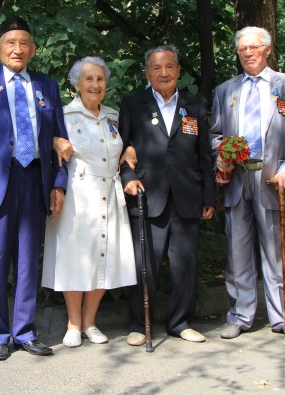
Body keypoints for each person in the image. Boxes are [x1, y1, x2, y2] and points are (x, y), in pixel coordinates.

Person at [0, 16, 68, 361]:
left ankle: (24, 332)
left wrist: (58, 185)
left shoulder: (47, 86)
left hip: (35, 180)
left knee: (27, 262)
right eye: (10, 43)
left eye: (24, 43)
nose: (17, 49)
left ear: (33, 50)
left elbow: (60, 140)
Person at [209, 26, 285, 341]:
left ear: (267, 49)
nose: (248, 53)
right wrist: (220, 156)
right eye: (242, 49)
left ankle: (284, 318)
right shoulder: (225, 90)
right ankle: (240, 315)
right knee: (237, 253)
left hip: (272, 180)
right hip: (237, 180)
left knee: (276, 253)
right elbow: (215, 135)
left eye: (253, 47)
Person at [119, 44, 216, 346]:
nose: (164, 73)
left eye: (170, 66)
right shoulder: (133, 103)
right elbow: (120, 148)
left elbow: (204, 154)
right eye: (157, 67)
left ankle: (180, 322)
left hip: (188, 195)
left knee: (184, 265)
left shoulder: (194, 104)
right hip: (147, 195)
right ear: (147, 72)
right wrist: (128, 178)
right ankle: (139, 324)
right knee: (144, 264)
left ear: (179, 70)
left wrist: (209, 196)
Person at [41, 57, 137, 348]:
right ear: (77, 84)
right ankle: (73, 323)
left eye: (100, 79)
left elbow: (127, 143)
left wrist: (129, 148)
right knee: (75, 257)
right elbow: (44, 144)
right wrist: (53, 142)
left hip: (110, 192)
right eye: (89, 79)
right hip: (77, 193)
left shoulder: (113, 116)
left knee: (105, 255)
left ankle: (89, 321)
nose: (95, 84)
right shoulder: (64, 115)